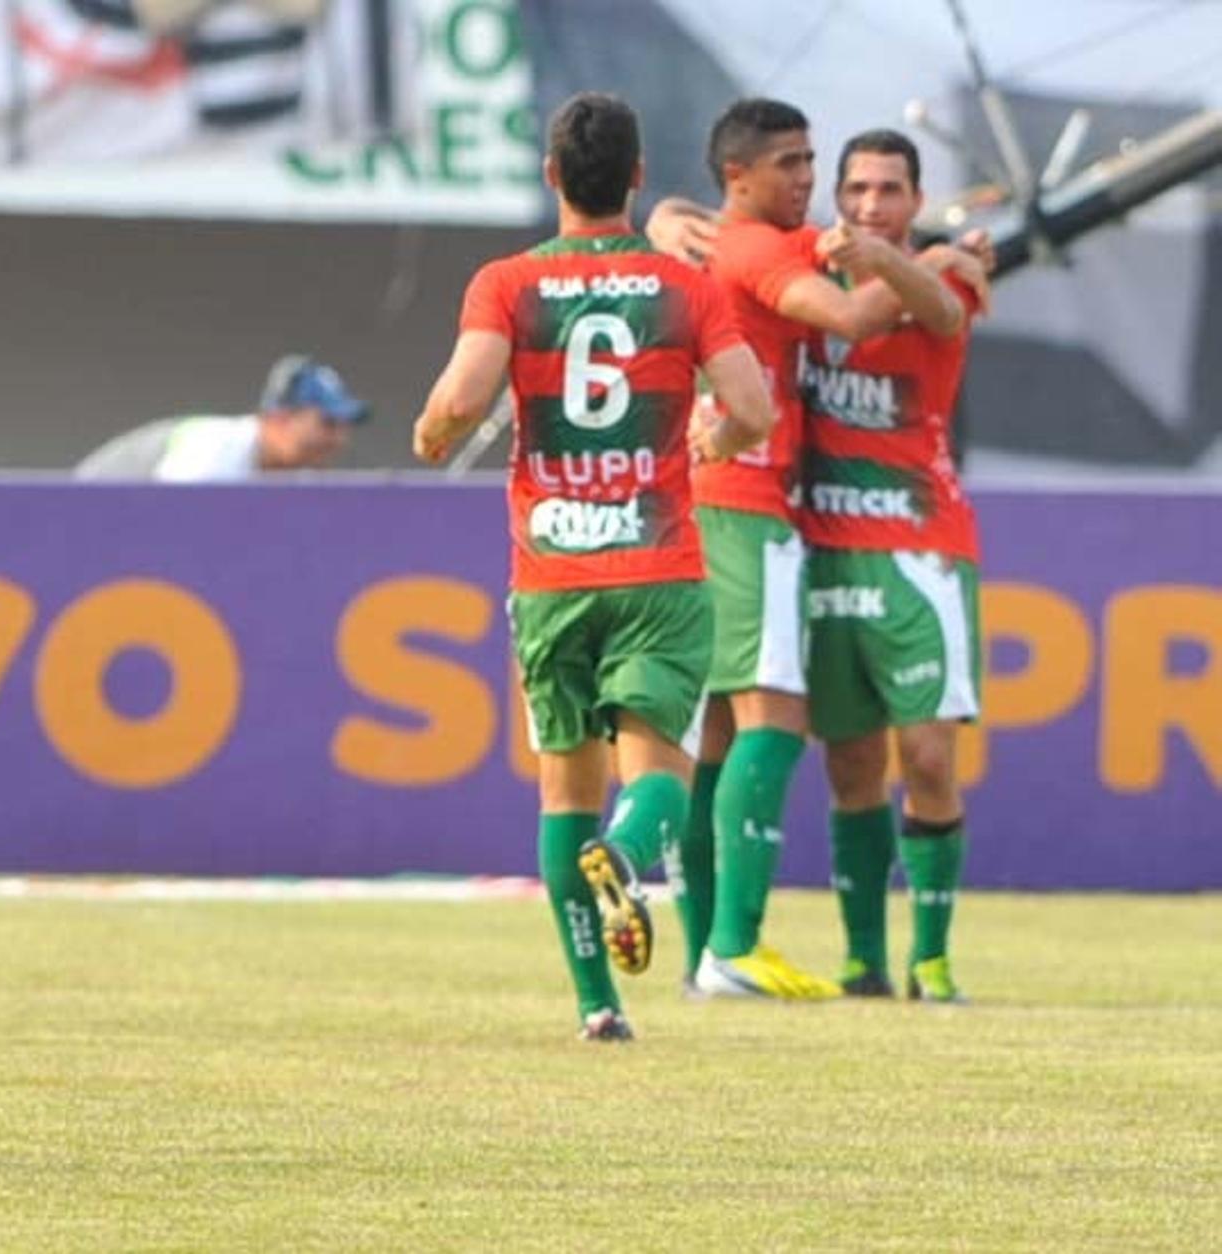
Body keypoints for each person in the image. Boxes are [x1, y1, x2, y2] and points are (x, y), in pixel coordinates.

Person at [412, 91, 773, 1041]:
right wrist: (719, 436)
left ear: (551, 177)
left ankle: (597, 1007)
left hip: (552, 574)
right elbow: (753, 405)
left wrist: (433, 431)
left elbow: (461, 398)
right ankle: (626, 852)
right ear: (639, 178)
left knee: (561, 785)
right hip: (656, 563)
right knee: (661, 774)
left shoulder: (507, 282)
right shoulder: (683, 288)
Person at [646, 99, 968, 1002]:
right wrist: (924, 260)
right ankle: (735, 947)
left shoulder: (722, 240)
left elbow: (925, 313)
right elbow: (845, 315)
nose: (806, 180)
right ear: (740, 177)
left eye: (808, 162)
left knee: (713, 732)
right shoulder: (754, 247)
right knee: (773, 722)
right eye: (793, 164)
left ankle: (708, 949)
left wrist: (661, 212)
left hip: (716, 508)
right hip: (747, 504)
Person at [801, 130, 990, 1003]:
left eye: (889, 190)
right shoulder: (803, 276)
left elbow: (945, 317)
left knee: (928, 758)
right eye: (858, 190)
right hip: (827, 550)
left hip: (920, 550)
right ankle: (863, 958)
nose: (870, 204)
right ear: (833, 195)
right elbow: (701, 229)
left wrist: (889, 255)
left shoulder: (943, 275)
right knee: (849, 768)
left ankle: (936, 954)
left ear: (916, 202)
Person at [73, 354, 368, 481]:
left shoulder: (292, 474)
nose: (338, 439)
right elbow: (167, 523)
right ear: (280, 419)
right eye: (327, 423)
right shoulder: (216, 450)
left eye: (344, 426)